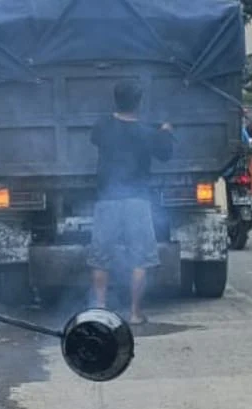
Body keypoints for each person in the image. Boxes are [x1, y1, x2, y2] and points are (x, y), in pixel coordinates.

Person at [89, 80, 174, 325]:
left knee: (100, 257)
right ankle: (135, 313)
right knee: (140, 258)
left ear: (115, 100)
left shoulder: (103, 126)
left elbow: (95, 138)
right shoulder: (148, 133)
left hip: (107, 200)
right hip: (137, 201)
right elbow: (166, 155)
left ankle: (101, 308)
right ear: (139, 102)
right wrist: (166, 131)